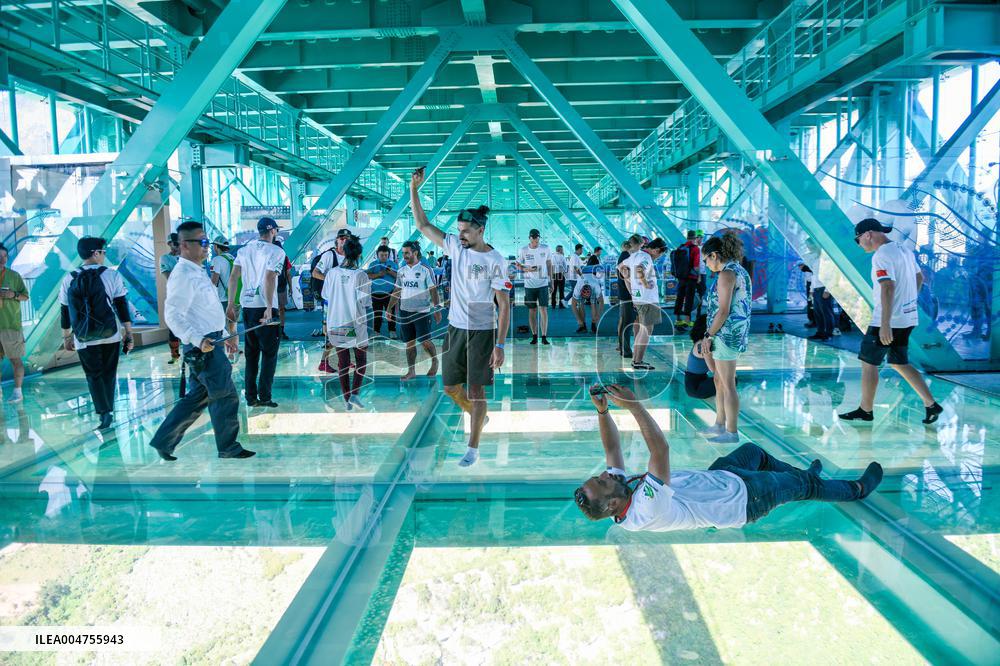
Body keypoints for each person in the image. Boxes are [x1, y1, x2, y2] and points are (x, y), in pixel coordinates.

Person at [573, 384, 884, 530]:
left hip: (719, 478)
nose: (607, 475)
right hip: (745, 499)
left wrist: (603, 411)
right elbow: (660, 451)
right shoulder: (643, 510)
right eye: (602, 482)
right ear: (611, 503)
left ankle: (802, 477)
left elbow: (612, 450)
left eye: (600, 476)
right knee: (803, 486)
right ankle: (856, 490)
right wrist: (635, 406)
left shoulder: (619, 492)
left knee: (754, 453)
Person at [410, 167, 510, 468]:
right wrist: (413, 188)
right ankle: (479, 415)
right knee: (451, 388)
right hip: (455, 328)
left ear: (480, 230)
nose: (460, 235)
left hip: (481, 331)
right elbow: (422, 223)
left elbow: (503, 305)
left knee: (477, 390)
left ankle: (473, 446)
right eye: (458, 230)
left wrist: (500, 344)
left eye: (465, 230)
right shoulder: (456, 247)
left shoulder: (495, 260)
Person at [148, 221, 254, 461]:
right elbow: (172, 314)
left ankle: (164, 440)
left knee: (198, 397)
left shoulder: (197, 271)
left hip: (211, 340)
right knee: (225, 394)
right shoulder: (183, 274)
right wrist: (198, 339)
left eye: (207, 242)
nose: (208, 247)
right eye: (203, 242)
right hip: (203, 345)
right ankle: (228, 447)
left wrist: (224, 335)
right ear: (185, 245)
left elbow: (204, 311)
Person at [839, 219, 943, 425]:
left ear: (868, 234)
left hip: (887, 320)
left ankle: (865, 410)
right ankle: (931, 404)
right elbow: (919, 277)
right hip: (907, 317)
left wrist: (885, 323)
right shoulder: (903, 250)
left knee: (868, 362)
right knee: (898, 362)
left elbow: (887, 287)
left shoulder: (882, 255)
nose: (859, 244)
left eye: (858, 239)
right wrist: (909, 301)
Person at [59, 236, 133, 430]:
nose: (104, 256)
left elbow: (65, 311)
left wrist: (67, 337)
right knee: (109, 373)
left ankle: (103, 412)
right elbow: (121, 305)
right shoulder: (111, 275)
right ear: (95, 253)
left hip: (83, 337)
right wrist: (129, 332)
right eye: (103, 252)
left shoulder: (69, 278)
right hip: (110, 334)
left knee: (93, 375)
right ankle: (108, 409)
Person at [228, 217, 285, 408]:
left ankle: (251, 397)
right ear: (273, 231)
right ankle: (265, 396)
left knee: (252, 355)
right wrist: (269, 307)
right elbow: (269, 278)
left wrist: (230, 303)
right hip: (266, 308)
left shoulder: (244, 250)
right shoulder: (277, 251)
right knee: (269, 355)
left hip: (248, 308)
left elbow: (234, 277)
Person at [702, 233, 752, 444]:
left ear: (714, 255)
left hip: (726, 334)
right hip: (730, 333)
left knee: (727, 383)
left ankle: (731, 431)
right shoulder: (738, 270)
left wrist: (708, 335)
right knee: (719, 380)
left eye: (706, 259)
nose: (706, 264)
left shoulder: (727, 274)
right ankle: (720, 423)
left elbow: (723, 311)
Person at [324, 236, 372, 410]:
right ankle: (355, 394)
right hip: (355, 323)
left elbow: (326, 297)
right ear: (359, 254)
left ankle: (346, 399)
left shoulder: (332, 273)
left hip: (336, 322)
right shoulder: (361, 275)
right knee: (361, 359)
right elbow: (365, 302)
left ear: (343, 252)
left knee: (343, 362)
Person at [388, 240, 441, 380]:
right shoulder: (401, 271)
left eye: (407, 253)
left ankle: (435, 360)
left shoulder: (425, 269)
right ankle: (411, 371)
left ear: (415, 253)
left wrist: (436, 309)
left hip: (421, 312)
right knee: (409, 343)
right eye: (403, 253)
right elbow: (396, 290)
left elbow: (433, 290)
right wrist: (389, 308)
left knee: (425, 342)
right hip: (405, 312)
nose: (404, 255)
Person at [619, 238, 666, 371]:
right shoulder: (646, 257)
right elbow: (639, 269)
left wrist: (629, 282)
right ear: (656, 250)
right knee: (647, 329)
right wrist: (645, 284)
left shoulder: (635, 255)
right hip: (647, 298)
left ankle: (636, 359)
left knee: (642, 329)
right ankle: (638, 361)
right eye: (660, 254)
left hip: (639, 298)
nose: (659, 257)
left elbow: (620, 267)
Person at [312, 229, 352, 373]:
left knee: (347, 331)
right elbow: (315, 273)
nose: (344, 240)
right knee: (332, 333)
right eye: (341, 238)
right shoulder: (329, 255)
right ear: (337, 240)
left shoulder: (350, 256)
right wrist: (331, 280)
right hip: (332, 301)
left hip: (345, 300)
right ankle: (324, 361)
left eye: (347, 238)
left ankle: (345, 360)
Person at [0, 245, 29, 403]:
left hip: (11, 326)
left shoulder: (14, 276)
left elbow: (25, 296)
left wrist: (13, 294)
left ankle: (18, 392)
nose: (2, 259)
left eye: (5, 256)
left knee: (15, 360)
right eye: (0, 256)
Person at [516, 229, 553, 345]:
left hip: (543, 284)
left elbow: (549, 264)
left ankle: (544, 336)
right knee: (532, 310)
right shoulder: (524, 250)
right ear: (529, 238)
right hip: (529, 285)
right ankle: (534, 335)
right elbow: (517, 265)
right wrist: (526, 269)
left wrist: (551, 281)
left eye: (537, 238)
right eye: (533, 238)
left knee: (543, 309)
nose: (536, 240)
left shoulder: (545, 248)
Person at [615, 236, 641, 359]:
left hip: (625, 294)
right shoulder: (626, 256)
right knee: (627, 322)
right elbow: (626, 277)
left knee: (624, 320)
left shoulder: (624, 256)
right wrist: (633, 294)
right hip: (627, 294)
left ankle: (623, 347)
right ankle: (625, 350)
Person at [672, 230, 702, 330]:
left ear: (687, 237)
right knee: (689, 298)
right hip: (691, 277)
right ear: (695, 237)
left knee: (679, 297)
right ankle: (687, 320)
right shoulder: (695, 248)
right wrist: (698, 276)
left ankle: (678, 320)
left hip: (681, 277)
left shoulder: (680, 247)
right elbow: (696, 266)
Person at [367, 245, 398, 339]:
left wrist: (390, 272)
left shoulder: (393, 264)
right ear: (377, 255)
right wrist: (378, 274)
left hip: (390, 293)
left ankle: (392, 331)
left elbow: (398, 276)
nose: (384, 257)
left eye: (386, 255)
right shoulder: (373, 264)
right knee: (377, 313)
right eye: (382, 255)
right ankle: (376, 331)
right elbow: (368, 275)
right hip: (376, 293)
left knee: (391, 313)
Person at [159, 232, 181, 364]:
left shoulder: (188, 257)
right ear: (169, 244)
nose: (178, 245)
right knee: (173, 327)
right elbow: (170, 278)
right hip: (175, 298)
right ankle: (174, 354)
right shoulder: (165, 258)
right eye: (175, 243)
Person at [570, 255, 604, 334]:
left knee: (592, 303)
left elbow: (601, 302)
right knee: (583, 303)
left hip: (590, 280)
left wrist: (598, 317)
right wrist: (579, 320)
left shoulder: (595, 285)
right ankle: (583, 326)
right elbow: (573, 304)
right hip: (586, 279)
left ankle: (592, 325)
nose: (586, 297)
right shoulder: (578, 287)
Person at [685, 315, 716, 399]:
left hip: (695, 384)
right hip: (696, 387)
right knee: (731, 379)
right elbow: (713, 369)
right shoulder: (702, 344)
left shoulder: (700, 342)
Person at [806, 264, 834, 341]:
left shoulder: (826, 261)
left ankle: (829, 334)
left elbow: (831, 276)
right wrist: (811, 290)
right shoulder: (814, 262)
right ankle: (820, 332)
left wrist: (827, 290)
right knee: (817, 313)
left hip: (823, 289)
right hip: (816, 290)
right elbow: (813, 277)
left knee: (826, 313)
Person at [274, 239, 294, 340]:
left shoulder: (285, 258)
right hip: (275, 287)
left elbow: (288, 273)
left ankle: (280, 330)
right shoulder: (269, 257)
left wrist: (290, 287)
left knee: (280, 309)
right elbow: (288, 274)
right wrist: (290, 287)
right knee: (278, 309)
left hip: (280, 286)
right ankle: (276, 330)